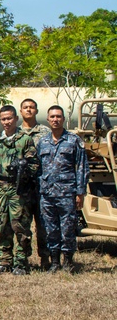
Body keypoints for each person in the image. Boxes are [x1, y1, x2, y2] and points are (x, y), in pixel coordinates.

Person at [0, 106, 40, 275]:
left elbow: (35, 165)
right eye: (3, 119)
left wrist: (24, 168)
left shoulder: (25, 140)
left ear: (16, 118)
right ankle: (5, 261)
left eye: (9, 118)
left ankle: (21, 262)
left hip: (18, 189)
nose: (6, 122)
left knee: (20, 226)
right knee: (2, 226)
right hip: (1, 189)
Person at [37, 106, 88, 272]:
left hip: (67, 193)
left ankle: (68, 261)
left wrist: (80, 193)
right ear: (48, 119)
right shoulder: (43, 142)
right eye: (52, 116)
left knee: (67, 228)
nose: (55, 119)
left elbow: (82, 167)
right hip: (47, 194)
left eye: (58, 116)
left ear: (63, 119)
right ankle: (55, 262)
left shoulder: (73, 141)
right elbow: (38, 169)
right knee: (50, 228)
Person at [20, 98, 52, 267]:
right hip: (22, 187)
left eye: (32, 107)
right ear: (20, 111)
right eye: (25, 107)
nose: (29, 110)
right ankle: (23, 259)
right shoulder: (16, 133)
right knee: (22, 224)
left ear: (37, 111)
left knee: (43, 224)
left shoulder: (46, 132)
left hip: (42, 184)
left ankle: (46, 258)